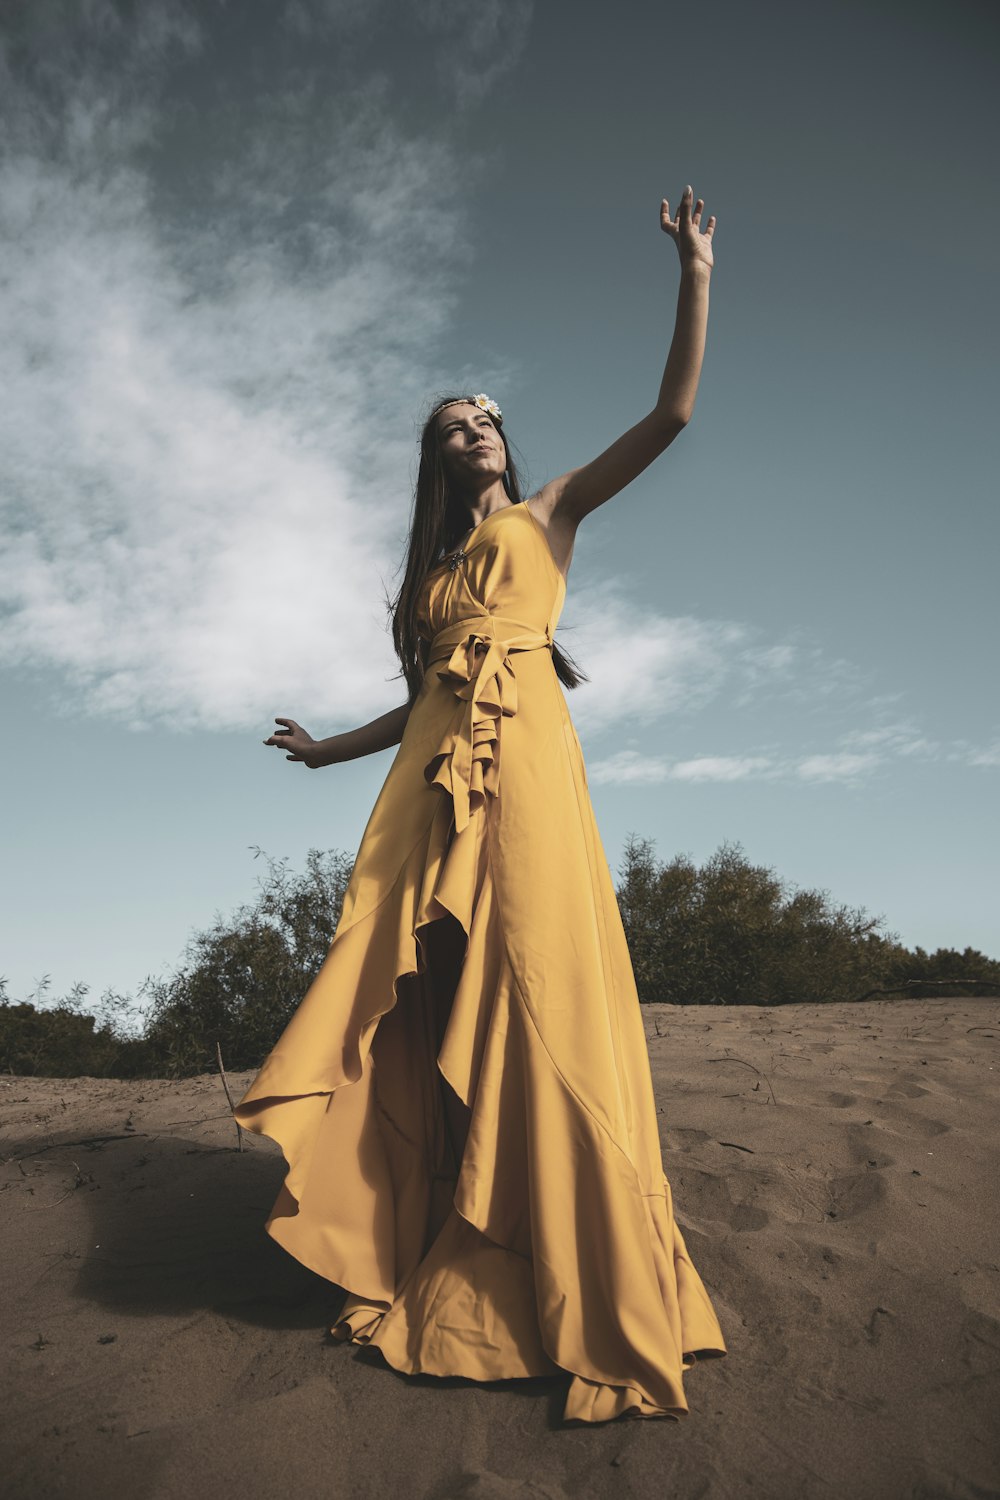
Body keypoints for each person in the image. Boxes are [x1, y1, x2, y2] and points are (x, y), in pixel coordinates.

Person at [235, 185, 727, 1424]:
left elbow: (670, 416)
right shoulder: (425, 582)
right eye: (457, 426)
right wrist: (326, 751)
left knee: (539, 979)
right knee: (422, 992)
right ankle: (439, 1229)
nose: (480, 431)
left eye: (489, 417)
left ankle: (576, 1254)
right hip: (421, 795)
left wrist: (694, 276)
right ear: (433, 457)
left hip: (529, 769)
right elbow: (416, 708)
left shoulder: (552, 511)